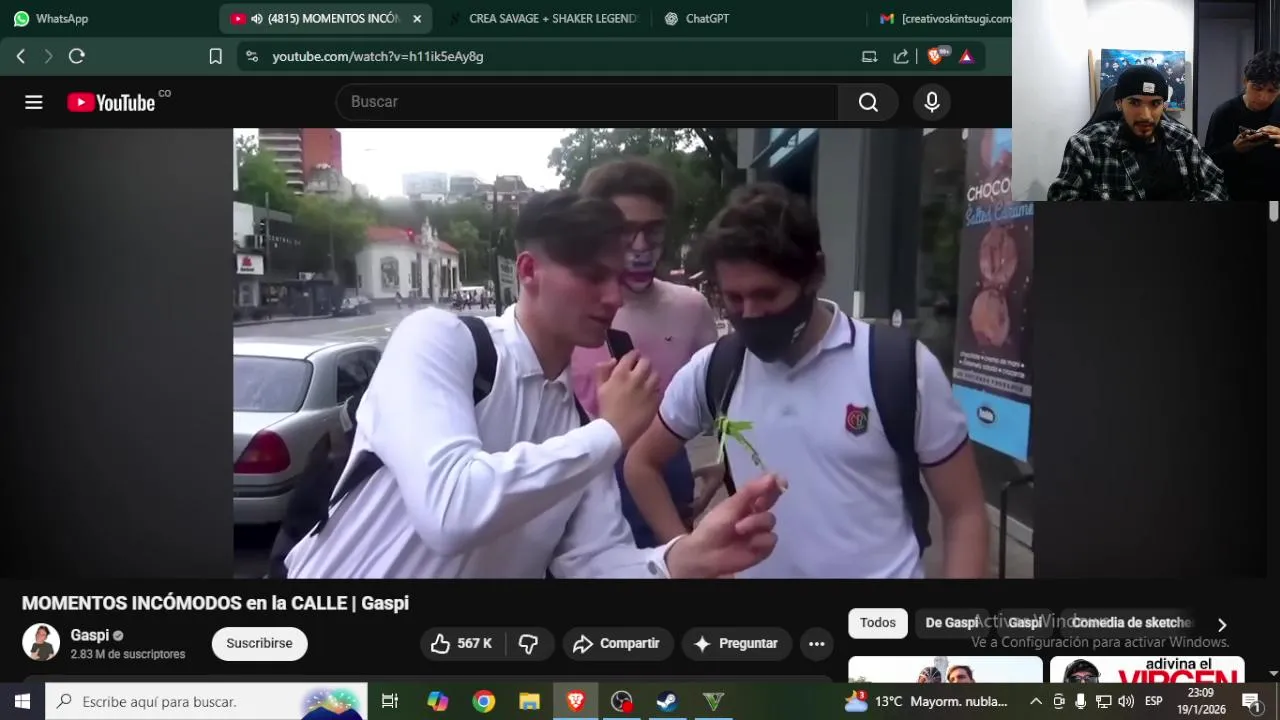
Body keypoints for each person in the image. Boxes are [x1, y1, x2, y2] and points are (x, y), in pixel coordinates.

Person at [283, 190, 784, 579]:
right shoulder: (440, 340)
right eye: (592, 276)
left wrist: (684, 557)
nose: (613, 297)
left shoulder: (575, 426)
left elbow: (595, 563)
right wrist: (611, 433)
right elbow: (450, 511)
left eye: (618, 278)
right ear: (529, 271)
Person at [623, 183, 989, 579]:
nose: (751, 313)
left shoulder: (899, 368)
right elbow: (641, 463)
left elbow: (964, 512)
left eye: (767, 295)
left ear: (815, 274)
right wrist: (687, 555)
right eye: (735, 298)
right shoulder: (714, 368)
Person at [570, 158, 722, 548]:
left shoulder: (690, 308)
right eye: (625, 231)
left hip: (667, 481)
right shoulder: (569, 311)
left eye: (652, 231)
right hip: (580, 491)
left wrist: (725, 460)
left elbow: (725, 401)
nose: (640, 247)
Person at [1048, 65, 1227, 201]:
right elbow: (1062, 200)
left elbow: (1216, 183)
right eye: (1135, 103)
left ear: (1164, 105)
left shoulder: (1183, 139)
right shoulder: (1087, 145)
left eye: (1155, 103)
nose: (1145, 115)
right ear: (1119, 103)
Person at [1204, 50, 1280, 200]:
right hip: (1234, 195)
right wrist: (1234, 149)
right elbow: (1208, 163)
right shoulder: (1224, 113)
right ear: (1245, 81)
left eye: (1272, 91)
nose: (1263, 97)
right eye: (1257, 88)